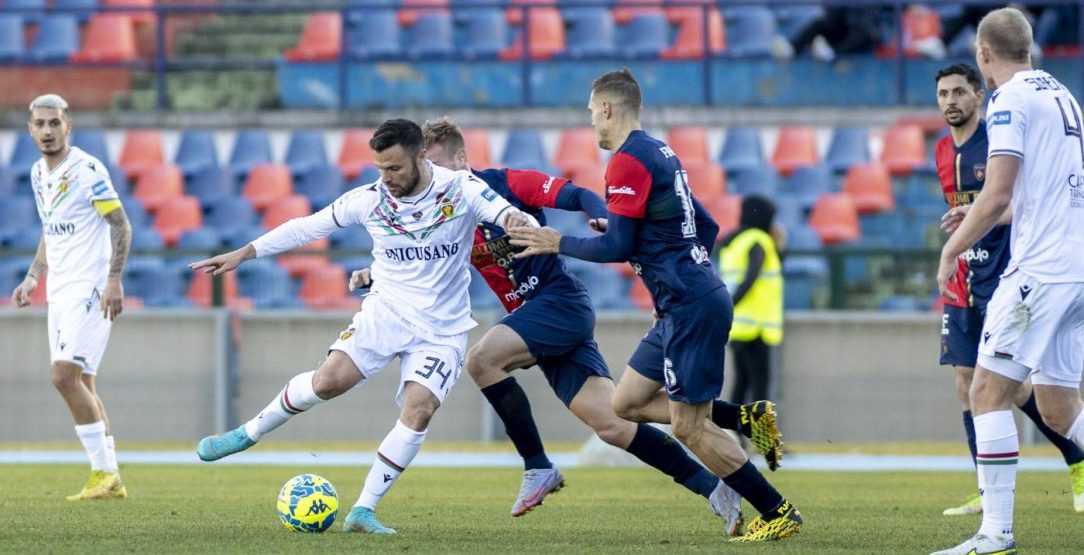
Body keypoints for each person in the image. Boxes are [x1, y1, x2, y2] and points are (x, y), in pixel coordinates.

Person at [422, 116, 772, 536]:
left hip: (558, 303)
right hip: (537, 318)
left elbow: (576, 194)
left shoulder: (507, 184)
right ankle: (718, 478)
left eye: (439, 167)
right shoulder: (442, 214)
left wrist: (607, 217)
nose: (434, 178)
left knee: (481, 361)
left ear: (462, 157)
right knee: (614, 423)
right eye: (427, 171)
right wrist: (375, 276)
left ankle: (537, 466)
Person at [192, 119, 537, 535]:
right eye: (379, 168)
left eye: (394, 168)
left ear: (420, 156)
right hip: (386, 313)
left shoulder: (460, 188)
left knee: (420, 408)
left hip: (442, 329)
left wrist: (522, 223)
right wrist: (245, 253)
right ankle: (248, 433)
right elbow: (307, 227)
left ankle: (363, 510)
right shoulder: (369, 199)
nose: (386, 178)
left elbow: (504, 212)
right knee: (328, 381)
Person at [509, 68, 802, 543]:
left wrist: (556, 240)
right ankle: (745, 417)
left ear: (606, 107)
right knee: (625, 403)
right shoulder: (661, 151)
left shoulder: (627, 160)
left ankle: (777, 510)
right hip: (679, 303)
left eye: (591, 114)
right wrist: (673, 277)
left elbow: (618, 248)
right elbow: (702, 225)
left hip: (688, 306)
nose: (591, 124)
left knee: (689, 428)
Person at [933, 8, 1084, 555]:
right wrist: (983, 217)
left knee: (986, 393)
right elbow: (1030, 196)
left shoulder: (1008, 101)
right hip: (1075, 270)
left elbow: (998, 191)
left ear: (983, 55)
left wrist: (954, 245)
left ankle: (995, 532)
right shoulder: (1064, 95)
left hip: (1039, 273)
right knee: (1059, 407)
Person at [10, 94, 132, 501]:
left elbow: (121, 226)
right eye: (40, 124)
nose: (47, 131)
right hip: (59, 291)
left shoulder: (86, 170)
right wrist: (32, 277)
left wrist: (114, 280)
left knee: (63, 376)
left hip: (91, 288)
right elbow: (51, 227)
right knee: (83, 381)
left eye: (54, 123)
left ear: (68, 125)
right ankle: (111, 478)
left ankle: (102, 472)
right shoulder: (37, 174)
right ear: (30, 129)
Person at [719, 195, 783, 406]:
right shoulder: (758, 240)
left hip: (739, 324)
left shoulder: (735, 241)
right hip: (757, 327)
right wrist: (731, 304)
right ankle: (763, 439)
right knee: (760, 386)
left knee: (742, 383)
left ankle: (734, 434)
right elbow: (751, 277)